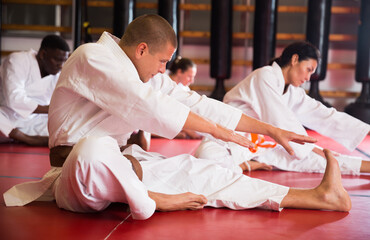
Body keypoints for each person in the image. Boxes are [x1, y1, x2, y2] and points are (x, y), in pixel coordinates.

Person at [4, 15, 350, 220]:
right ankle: (151, 199)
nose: (163, 70)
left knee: (202, 170)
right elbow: (146, 104)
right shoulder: (90, 56)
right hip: (77, 176)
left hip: (126, 164)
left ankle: (317, 197)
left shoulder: (145, 74)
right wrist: (218, 132)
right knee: (93, 149)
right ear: (142, 49)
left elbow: (196, 101)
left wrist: (269, 129)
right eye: (162, 61)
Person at [195, 41, 370, 175]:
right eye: (308, 69)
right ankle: (244, 165)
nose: (308, 78)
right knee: (206, 158)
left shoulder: (293, 92)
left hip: (256, 147)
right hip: (228, 140)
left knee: (322, 160)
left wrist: (366, 129)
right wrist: (309, 147)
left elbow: (323, 114)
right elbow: (279, 118)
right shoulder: (264, 76)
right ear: (294, 60)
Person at [0, 34, 70, 146]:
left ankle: (26, 136)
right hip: (7, 115)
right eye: (57, 60)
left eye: (64, 61)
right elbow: (14, 99)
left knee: (69, 128)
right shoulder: (18, 60)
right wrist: (50, 109)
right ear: (43, 54)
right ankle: (25, 137)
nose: (61, 65)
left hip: (36, 121)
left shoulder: (58, 74)